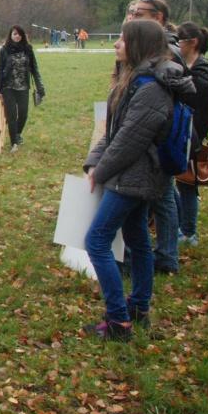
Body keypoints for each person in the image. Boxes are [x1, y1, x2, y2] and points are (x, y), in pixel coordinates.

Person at [82, 19, 183, 340]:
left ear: (138, 45)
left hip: (134, 177)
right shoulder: (136, 80)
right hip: (131, 175)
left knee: (96, 240)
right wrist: (93, 161)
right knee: (138, 239)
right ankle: (138, 306)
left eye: (123, 40)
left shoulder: (151, 88)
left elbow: (129, 141)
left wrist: (102, 171)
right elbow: (113, 133)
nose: (116, 44)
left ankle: (118, 321)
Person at [124, 0, 191, 274]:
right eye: (132, 12)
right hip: (151, 130)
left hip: (157, 134)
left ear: (159, 17)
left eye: (139, 12)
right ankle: (165, 254)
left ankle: (166, 256)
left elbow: (163, 96)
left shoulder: (167, 50)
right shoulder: (149, 42)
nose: (133, 16)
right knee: (164, 195)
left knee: (162, 197)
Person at [174, 22, 208, 247]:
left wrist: (191, 139)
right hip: (179, 135)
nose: (175, 44)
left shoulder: (202, 77)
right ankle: (180, 226)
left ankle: (188, 231)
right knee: (178, 184)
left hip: (190, 138)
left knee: (187, 184)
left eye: (178, 40)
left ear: (192, 43)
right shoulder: (185, 68)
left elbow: (204, 116)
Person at [0, 25, 45, 152]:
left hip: (23, 87)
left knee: (23, 114)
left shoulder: (28, 49)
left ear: (22, 36)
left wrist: (40, 86)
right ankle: (14, 143)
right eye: (14, 34)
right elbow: (0, 71)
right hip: (8, 87)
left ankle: (17, 134)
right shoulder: (4, 50)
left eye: (19, 34)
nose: (17, 36)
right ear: (10, 35)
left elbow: (34, 69)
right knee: (11, 116)